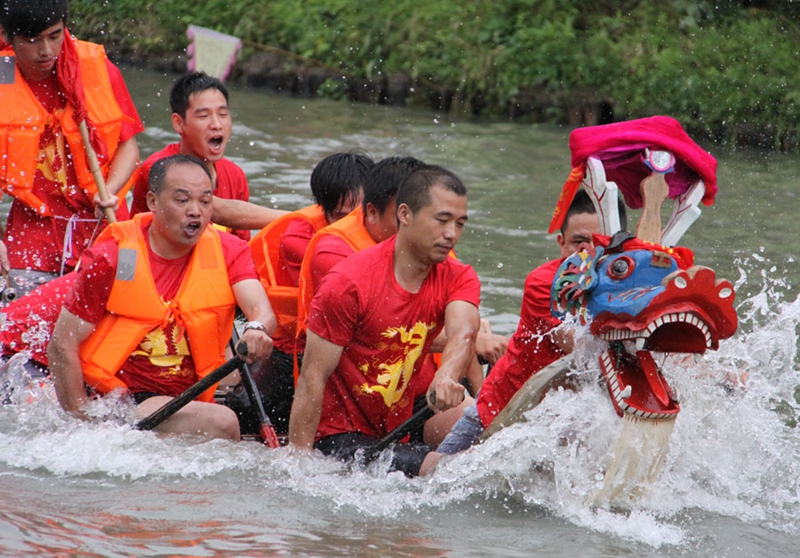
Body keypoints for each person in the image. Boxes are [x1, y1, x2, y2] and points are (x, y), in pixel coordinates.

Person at [47, 154, 277, 440]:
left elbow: (263, 313)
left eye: (205, 201)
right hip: (123, 400)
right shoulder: (113, 257)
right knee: (224, 422)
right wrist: (80, 424)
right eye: (182, 201)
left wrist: (256, 328)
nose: (196, 212)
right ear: (153, 202)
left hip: (189, 394)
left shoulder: (230, 250)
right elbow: (61, 345)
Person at [288, 164, 481, 477]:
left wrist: (446, 376)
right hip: (338, 436)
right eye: (442, 220)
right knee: (440, 468)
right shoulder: (348, 283)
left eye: (460, 224)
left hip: (400, 419)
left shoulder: (459, 275)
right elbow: (313, 377)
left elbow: (463, 334)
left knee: (487, 427)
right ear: (405, 214)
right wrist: (297, 464)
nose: (451, 234)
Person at [437, 188, 628, 454]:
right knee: (437, 469)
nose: (588, 252)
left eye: (599, 243)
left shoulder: (631, 291)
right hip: (502, 409)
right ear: (562, 243)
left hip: (566, 418)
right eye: (578, 242)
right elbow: (581, 349)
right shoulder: (543, 284)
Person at [0, 0, 143, 276]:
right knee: (18, 299)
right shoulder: (1, 77)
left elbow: (129, 147)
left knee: (130, 288)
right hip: (35, 228)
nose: (46, 50)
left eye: (55, 36)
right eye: (32, 40)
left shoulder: (97, 69)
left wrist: (109, 192)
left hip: (105, 218)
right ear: (6, 36)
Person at [240, 151, 372, 435]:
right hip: (294, 347)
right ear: (322, 208)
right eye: (341, 216)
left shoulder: (382, 226)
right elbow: (356, 283)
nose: (351, 224)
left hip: (356, 346)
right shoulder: (300, 237)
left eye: (358, 215)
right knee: (245, 412)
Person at [129, 72, 281, 240]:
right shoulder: (160, 168)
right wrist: (297, 217)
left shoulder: (235, 175)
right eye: (203, 116)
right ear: (179, 123)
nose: (217, 125)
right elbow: (217, 210)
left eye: (223, 115)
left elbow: (241, 246)